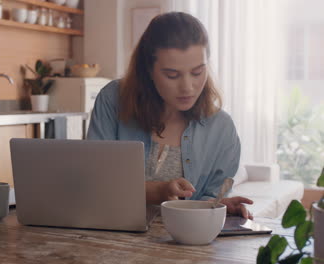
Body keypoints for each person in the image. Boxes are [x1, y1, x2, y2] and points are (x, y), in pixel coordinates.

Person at [87, 12, 253, 219]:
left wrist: (219, 206)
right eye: (172, 75)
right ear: (147, 70)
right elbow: (95, 182)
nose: (188, 87)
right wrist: (157, 191)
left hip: (181, 245)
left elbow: (209, 200)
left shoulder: (222, 128)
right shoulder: (113, 100)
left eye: (197, 72)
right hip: (108, 236)